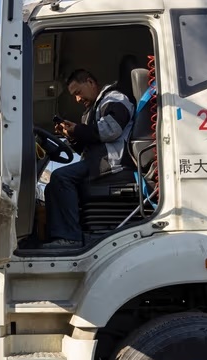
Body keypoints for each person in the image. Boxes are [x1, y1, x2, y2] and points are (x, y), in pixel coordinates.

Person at [43, 69, 135, 248]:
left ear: (91, 83)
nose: (77, 99)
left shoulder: (113, 99)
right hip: (97, 162)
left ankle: (70, 238)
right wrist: (70, 135)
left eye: (78, 93)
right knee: (51, 187)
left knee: (61, 177)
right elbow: (88, 146)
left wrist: (77, 130)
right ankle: (60, 236)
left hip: (114, 162)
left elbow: (112, 129)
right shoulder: (91, 112)